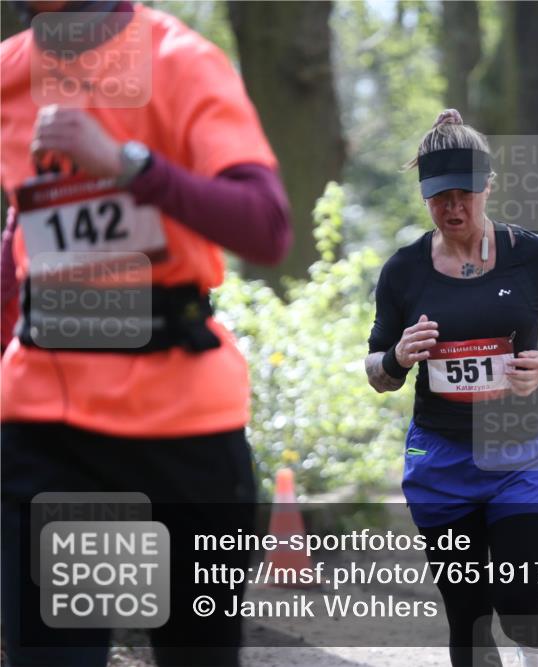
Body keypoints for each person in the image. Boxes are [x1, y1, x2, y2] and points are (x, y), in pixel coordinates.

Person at [1, 2, 291, 665]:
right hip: (52, 435)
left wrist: (128, 164)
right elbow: (27, 225)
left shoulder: (179, 61)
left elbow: (264, 225)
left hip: (180, 434)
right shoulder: (10, 73)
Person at [365, 109, 538, 667]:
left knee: (518, 601)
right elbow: (377, 373)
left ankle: (537, 654)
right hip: (441, 460)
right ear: (424, 197)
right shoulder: (403, 272)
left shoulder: (532, 256)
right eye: (440, 197)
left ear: (488, 186)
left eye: (465, 193)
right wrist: (396, 356)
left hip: (519, 448)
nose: (454, 208)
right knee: (467, 619)